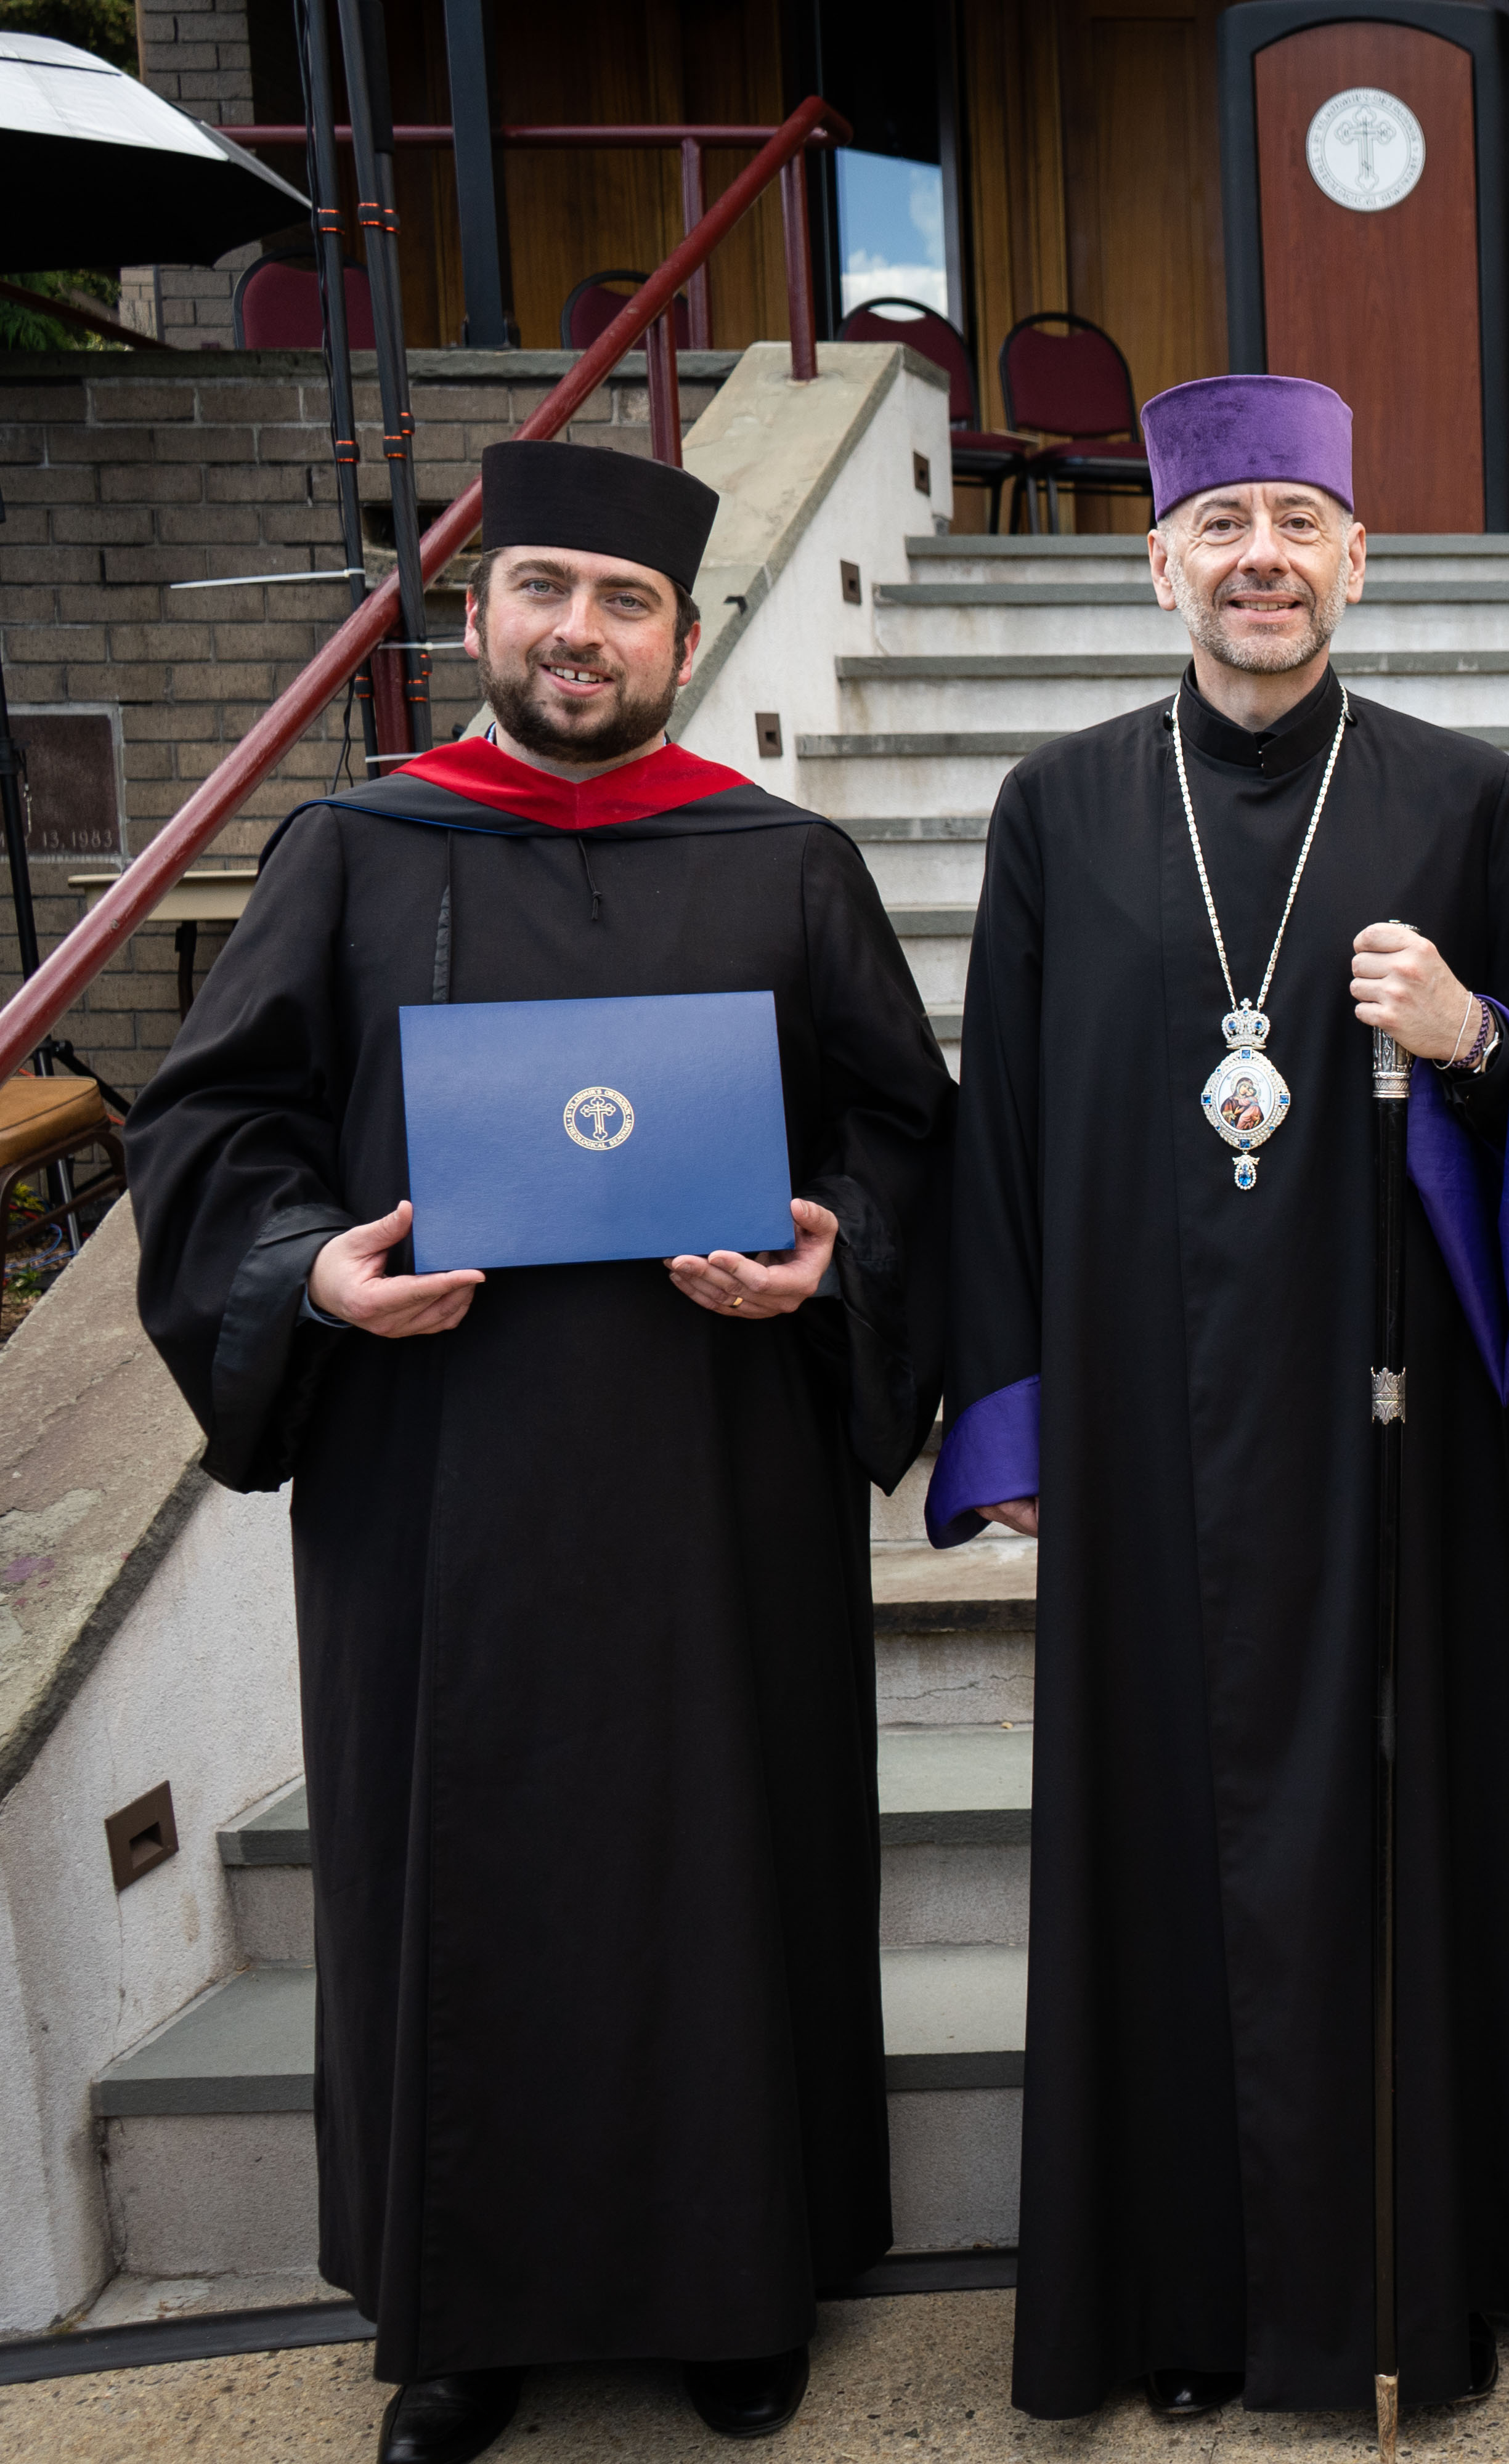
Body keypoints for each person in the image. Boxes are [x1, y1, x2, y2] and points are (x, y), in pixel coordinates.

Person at [122, 440, 954, 2463]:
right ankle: (461, 2323)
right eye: (543, 590)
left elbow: (905, 1138)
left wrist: (832, 1259)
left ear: (685, 634)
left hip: (714, 1478)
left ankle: (737, 2288)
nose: (578, 632)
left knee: (721, 1860)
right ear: (477, 611)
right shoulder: (354, 853)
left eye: (625, 603)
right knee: (461, 1877)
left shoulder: (780, 863)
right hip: (441, 1485)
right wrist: (315, 1277)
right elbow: (212, 1135)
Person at [929, 374, 1509, 2423]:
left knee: (1413, 1829)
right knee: (1166, 1846)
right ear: (1160, 565)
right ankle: (1189, 2296)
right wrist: (1016, 1422)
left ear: (1355, 563)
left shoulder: (1462, 794)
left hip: (1391, 1434)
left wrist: (1478, 1038)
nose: (1262, 562)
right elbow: (1000, 1137)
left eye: (1301, 525)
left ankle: (1434, 2263)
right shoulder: (1056, 804)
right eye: (1223, 531)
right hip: (1145, 1439)